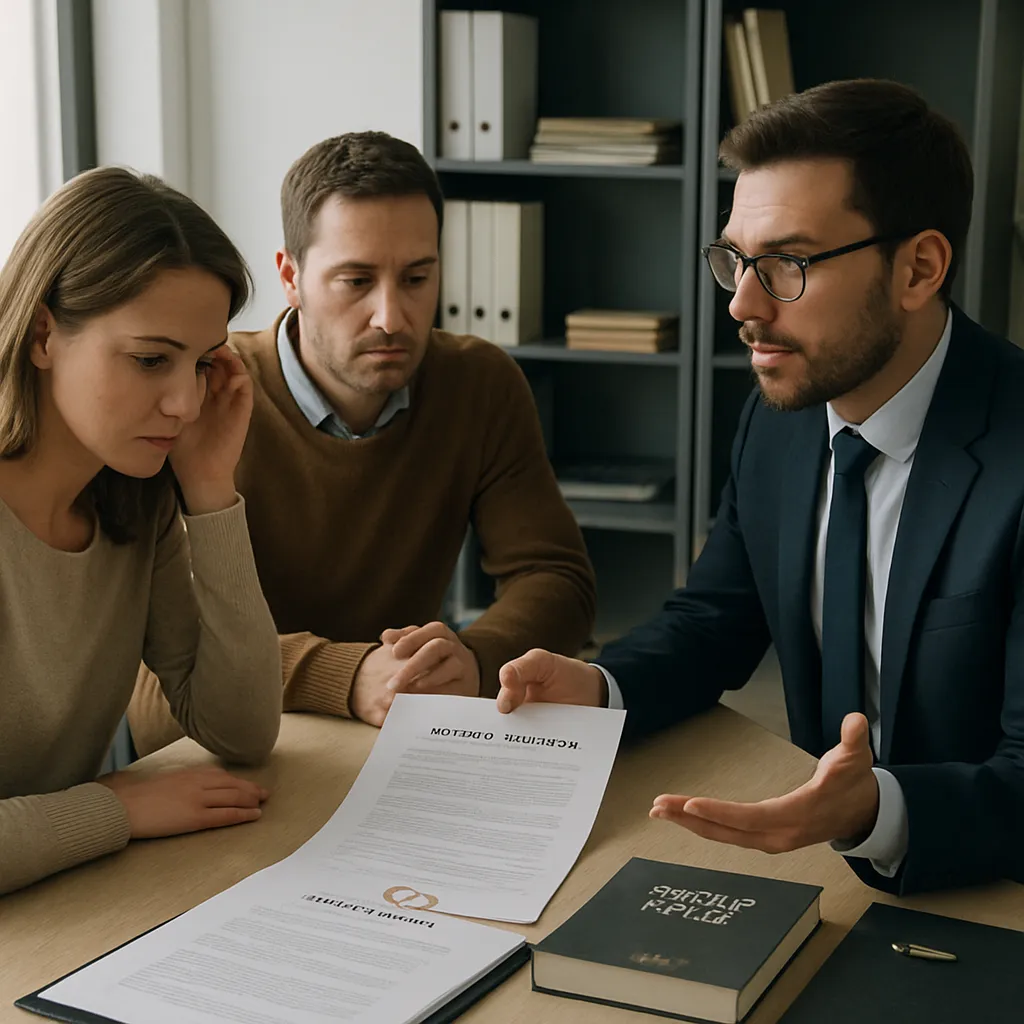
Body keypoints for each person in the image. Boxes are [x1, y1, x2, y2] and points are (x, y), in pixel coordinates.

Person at [496, 78, 1024, 896]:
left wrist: (870, 810)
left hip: (984, 891)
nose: (741, 305)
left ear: (918, 268)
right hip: (818, 870)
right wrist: (601, 686)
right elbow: (716, 617)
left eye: (785, 263)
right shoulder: (780, 417)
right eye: (736, 260)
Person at [128, 131, 595, 751]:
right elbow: (154, 686)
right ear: (290, 277)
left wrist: (476, 660)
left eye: (416, 278)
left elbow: (557, 578)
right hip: (233, 753)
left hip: (400, 736)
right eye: (355, 280)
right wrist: (342, 676)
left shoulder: (479, 384)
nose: (391, 317)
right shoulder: (195, 394)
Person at [0, 167, 283, 896]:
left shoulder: (135, 503)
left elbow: (243, 729)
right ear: (41, 335)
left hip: (57, 905)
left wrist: (211, 492)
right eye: (152, 360)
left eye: (202, 364)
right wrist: (113, 807)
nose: (185, 404)